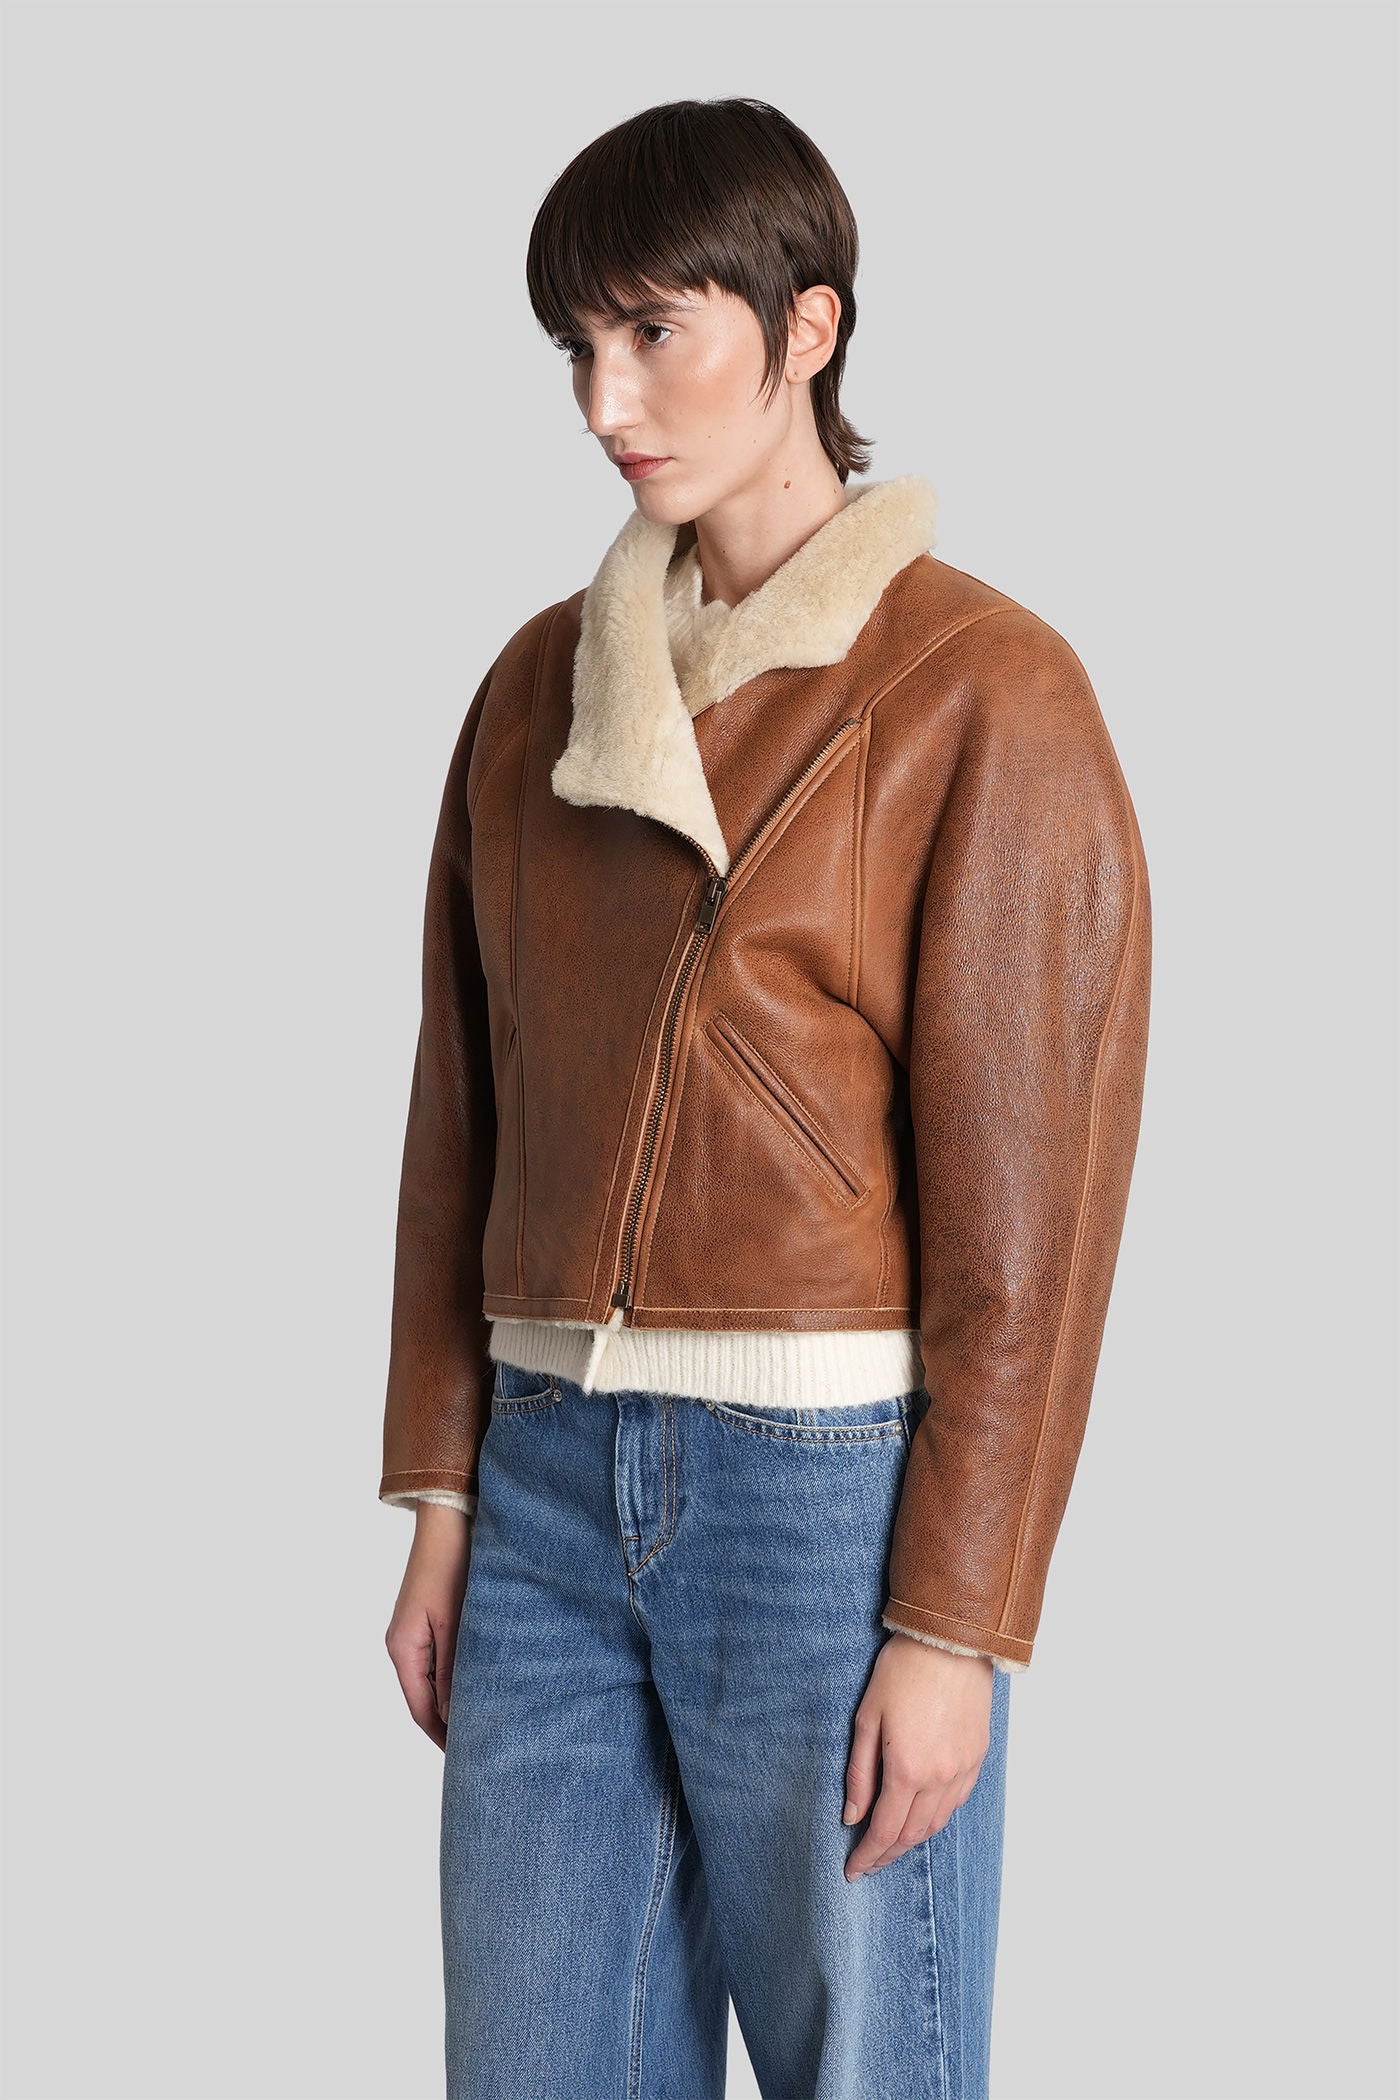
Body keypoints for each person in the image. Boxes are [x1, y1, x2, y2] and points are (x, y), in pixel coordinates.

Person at [381, 96, 1151, 2100]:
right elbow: (463, 1115)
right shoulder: (537, 689)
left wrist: (958, 1620)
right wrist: (444, 1493)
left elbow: (1033, 1220)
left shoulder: (985, 690)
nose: (605, 400)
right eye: (580, 346)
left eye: (656, 333)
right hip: (544, 1485)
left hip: (826, 1507)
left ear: (808, 326)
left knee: (867, 2070)